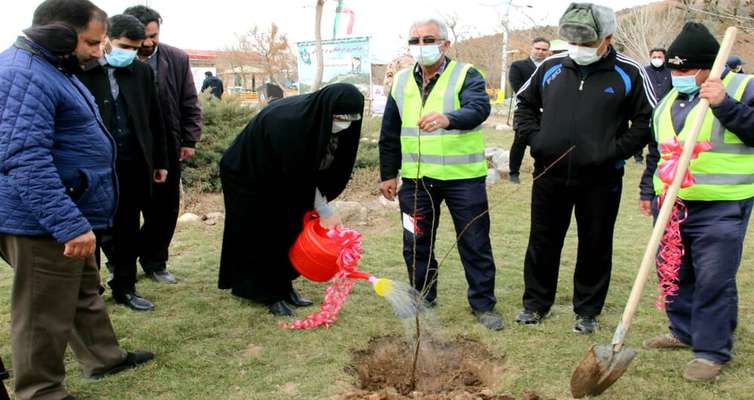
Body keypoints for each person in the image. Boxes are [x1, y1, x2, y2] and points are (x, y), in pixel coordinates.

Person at [0, 1, 154, 398]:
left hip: (71, 207)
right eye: (91, 42)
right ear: (61, 35)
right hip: (43, 220)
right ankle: (41, 391)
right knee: (42, 310)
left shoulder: (53, 68)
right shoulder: (26, 74)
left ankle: (103, 358)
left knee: (83, 290)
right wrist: (67, 223)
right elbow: (25, 158)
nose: (98, 51)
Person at [513, 3, 655, 333]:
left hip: (601, 178)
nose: (579, 50)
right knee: (543, 240)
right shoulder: (550, 66)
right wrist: (538, 140)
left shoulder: (628, 72)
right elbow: (524, 105)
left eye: (588, 44)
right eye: (574, 43)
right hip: (550, 174)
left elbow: (647, 121)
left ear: (607, 38)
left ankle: (587, 310)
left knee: (595, 242)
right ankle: (535, 304)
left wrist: (612, 152)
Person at [639, 22, 754, 382]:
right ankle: (684, 331)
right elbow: (658, 151)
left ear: (710, 66)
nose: (677, 75)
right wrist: (647, 190)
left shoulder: (743, 88)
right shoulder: (669, 99)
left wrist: (724, 104)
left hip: (722, 204)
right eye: (673, 69)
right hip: (672, 204)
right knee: (675, 272)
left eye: (685, 70)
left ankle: (711, 351)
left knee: (713, 278)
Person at [379, 18, 503, 331]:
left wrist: (449, 118)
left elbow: (479, 109)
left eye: (428, 39)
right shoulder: (402, 81)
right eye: (415, 40)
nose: (421, 46)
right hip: (416, 183)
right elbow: (390, 132)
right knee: (415, 242)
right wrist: (387, 174)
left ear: (445, 44)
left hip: (464, 181)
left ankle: (484, 305)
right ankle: (422, 297)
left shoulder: (466, 74)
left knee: (474, 242)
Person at [219, 83, 364, 317]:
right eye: (340, 118)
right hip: (247, 174)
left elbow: (310, 171)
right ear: (327, 110)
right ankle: (266, 292)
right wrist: (325, 211)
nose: (345, 124)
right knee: (262, 231)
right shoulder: (289, 121)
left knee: (290, 227)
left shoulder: (319, 119)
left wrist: (322, 202)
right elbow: (298, 174)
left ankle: (284, 286)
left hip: (282, 176)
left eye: (351, 119)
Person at [77, 14, 168, 312]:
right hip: (92, 167)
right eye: (123, 46)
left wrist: (160, 161)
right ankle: (89, 291)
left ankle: (125, 287)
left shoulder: (140, 73)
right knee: (89, 228)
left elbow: (156, 119)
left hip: (132, 163)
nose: (129, 52)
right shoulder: (79, 71)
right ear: (106, 39)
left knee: (127, 226)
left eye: (135, 47)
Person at [123, 5, 202, 285]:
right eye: (141, 37)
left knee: (165, 211)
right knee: (126, 212)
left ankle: (155, 262)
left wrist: (189, 139)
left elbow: (189, 102)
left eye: (153, 35)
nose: (147, 43)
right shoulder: (118, 58)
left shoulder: (176, 58)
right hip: (128, 152)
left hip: (167, 148)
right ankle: (121, 264)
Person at [508, 37, 551, 183]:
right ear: (531, 48)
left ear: (548, 51)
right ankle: (513, 172)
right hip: (524, 109)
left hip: (548, 111)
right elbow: (519, 89)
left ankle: (539, 171)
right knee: (520, 141)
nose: (540, 52)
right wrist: (541, 100)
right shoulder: (518, 66)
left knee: (544, 141)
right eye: (537, 48)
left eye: (544, 49)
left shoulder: (553, 67)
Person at [633, 47, 673, 163]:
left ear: (664, 58)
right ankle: (638, 156)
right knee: (641, 132)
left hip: (665, 108)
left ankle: (658, 154)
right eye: (654, 57)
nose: (657, 59)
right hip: (647, 107)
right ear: (650, 58)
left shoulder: (670, 72)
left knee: (657, 135)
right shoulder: (644, 71)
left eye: (659, 57)